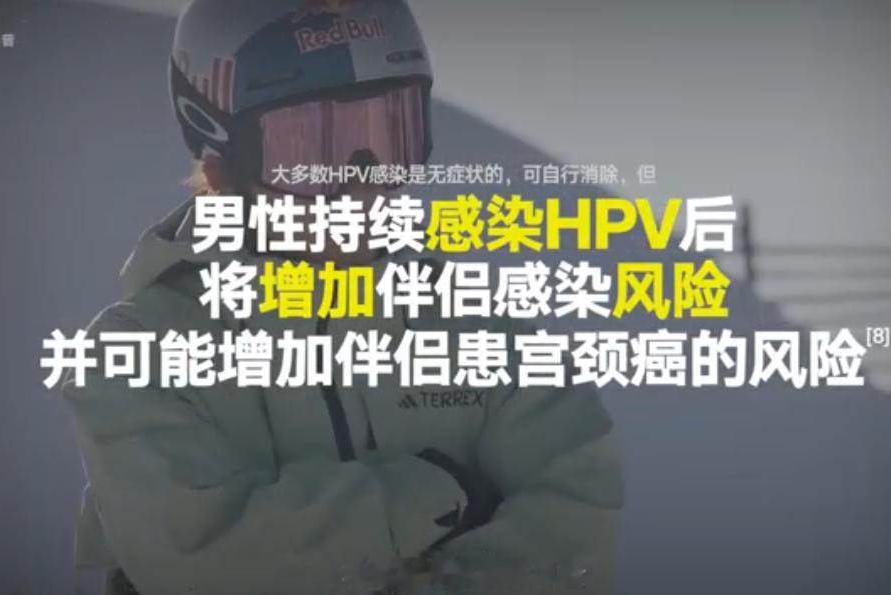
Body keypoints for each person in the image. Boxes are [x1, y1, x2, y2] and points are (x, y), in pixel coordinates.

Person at [61, 1, 622, 593]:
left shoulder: (481, 330)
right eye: (310, 148)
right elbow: (205, 558)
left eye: (388, 132)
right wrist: (436, 496)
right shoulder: (139, 353)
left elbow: (576, 521)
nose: (360, 186)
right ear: (221, 166)